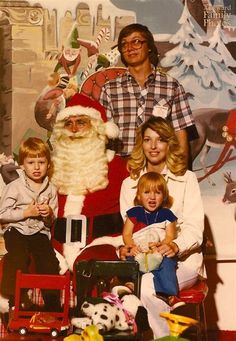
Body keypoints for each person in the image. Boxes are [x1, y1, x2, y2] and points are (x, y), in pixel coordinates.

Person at [119, 116, 206, 338]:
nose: (153, 146)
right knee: (143, 282)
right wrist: (128, 248)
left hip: (183, 261)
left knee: (148, 285)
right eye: (147, 140)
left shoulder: (186, 179)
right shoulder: (129, 184)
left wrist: (175, 246)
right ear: (141, 144)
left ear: (169, 143)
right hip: (143, 259)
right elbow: (131, 230)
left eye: (160, 140)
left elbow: (195, 228)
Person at [99, 23, 197, 161]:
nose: (130, 48)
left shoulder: (171, 86)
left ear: (149, 47)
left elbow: (180, 134)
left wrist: (180, 175)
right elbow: (101, 136)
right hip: (121, 165)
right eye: (124, 44)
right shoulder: (110, 89)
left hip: (158, 165)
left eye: (136, 42)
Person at [50, 93, 129, 262]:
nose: (73, 129)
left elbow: (136, 214)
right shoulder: (55, 168)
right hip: (57, 250)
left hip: (101, 245)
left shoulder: (118, 167)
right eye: (68, 123)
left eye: (81, 122)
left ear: (96, 127)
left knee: (88, 268)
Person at [0, 137, 60, 311]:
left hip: (39, 232)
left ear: (48, 164)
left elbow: (50, 223)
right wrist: (25, 213)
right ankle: (15, 299)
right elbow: (2, 214)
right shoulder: (15, 186)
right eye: (31, 162)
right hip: (17, 231)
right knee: (17, 257)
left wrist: (48, 214)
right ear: (22, 165)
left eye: (41, 162)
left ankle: (52, 302)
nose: (36, 167)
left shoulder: (51, 189)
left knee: (49, 260)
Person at [122, 172, 179, 308]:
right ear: (139, 196)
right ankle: (131, 285)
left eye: (157, 193)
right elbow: (127, 234)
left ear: (163, 196)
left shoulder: (167, 214)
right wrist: (132, 246)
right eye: (147, 192)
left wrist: (161, 246)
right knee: (128, 261)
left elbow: (171, 236)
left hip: (157, 251)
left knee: (167, 263)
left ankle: (167, 294)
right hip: (139, 250)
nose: (152, 197)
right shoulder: (134, 213)